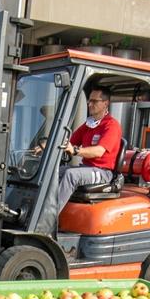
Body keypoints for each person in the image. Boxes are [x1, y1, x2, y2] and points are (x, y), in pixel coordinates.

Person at [39, 85, 121, 233]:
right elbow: (68, 140)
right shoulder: (89, 124)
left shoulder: (111, 126)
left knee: (71, 175)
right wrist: (46, 145)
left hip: (103, 173)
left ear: (105, 103)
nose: (90, 104)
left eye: (94, 101)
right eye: (89, 101)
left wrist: (75, 150)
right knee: (55, 170)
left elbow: (99, 151)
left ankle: (46, 221)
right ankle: (37, 210)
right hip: (88, 169)